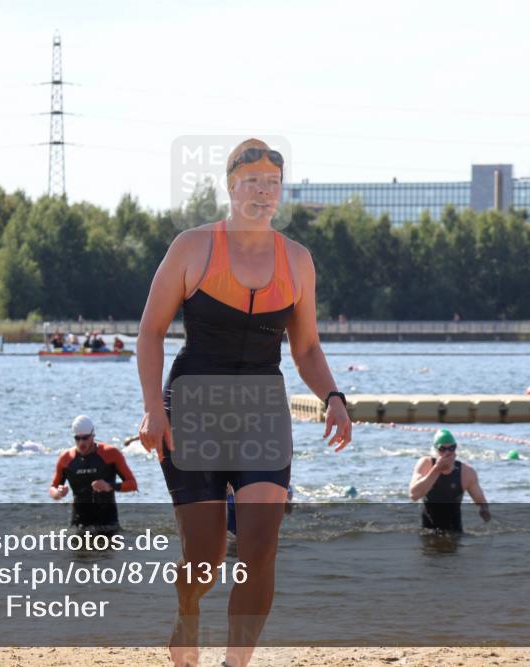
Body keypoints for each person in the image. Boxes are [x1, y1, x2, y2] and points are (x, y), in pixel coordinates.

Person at [136, 138, 352, 667]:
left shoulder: (297, 261)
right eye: (252, 182)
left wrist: (334, 397)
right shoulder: (192, 247)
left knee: (259, 545)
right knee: (206, 559)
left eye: (272, 184)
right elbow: (150, 332)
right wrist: (152, 409)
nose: (262, 192)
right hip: (192, 410)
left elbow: (305, 347)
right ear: (231, 187)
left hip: (262, 411)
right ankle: (187, 614)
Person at [48, 415, 137, 533]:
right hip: (79, 526)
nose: (81, 442)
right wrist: (58, 493)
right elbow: (52, 488)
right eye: (77, 438)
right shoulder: (66, 458)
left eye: (85, 438)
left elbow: (132, 484)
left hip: (108, 524)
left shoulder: (111, 454)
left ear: (93, 435)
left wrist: (110, 486)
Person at [408, 429, 491, 532]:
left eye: (451, 448)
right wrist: (436, 469)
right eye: (442, 449)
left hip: (455, 533)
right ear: (435, 450)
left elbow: (481, 501)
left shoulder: (467, 472)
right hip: (427, 532)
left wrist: (484, 510)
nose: (447, 453)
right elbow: (413, 495)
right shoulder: (426, 464)